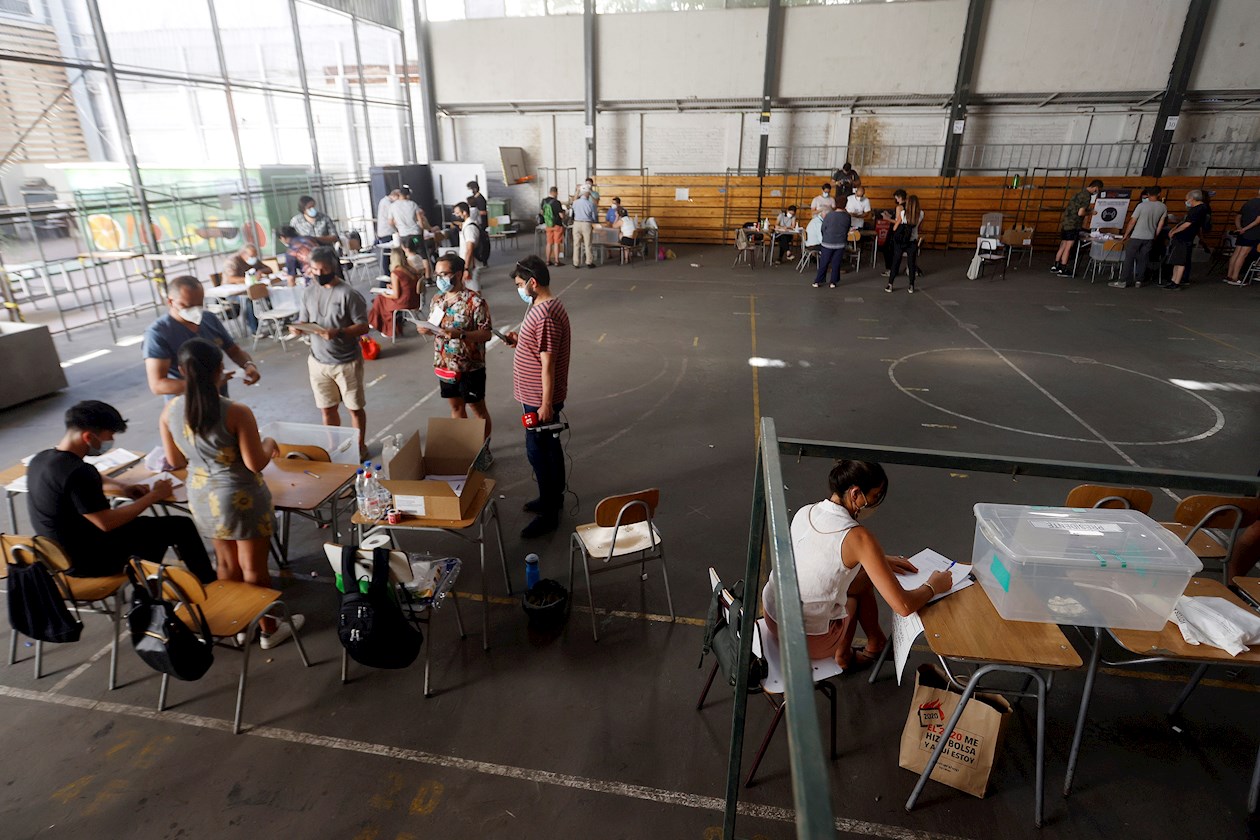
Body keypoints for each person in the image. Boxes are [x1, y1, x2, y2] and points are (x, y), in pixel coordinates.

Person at [158, 339, 302, 647]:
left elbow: (174, 461)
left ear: (182, 371)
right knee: (254, 568)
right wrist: (269, 442)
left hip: (201, 496)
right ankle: (269, 630)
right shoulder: (235, 411)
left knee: (225, 566)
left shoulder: (170, 410)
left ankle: (239, 626)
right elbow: (254, 464)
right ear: (220, 371)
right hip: (240, 498)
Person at [761, 461, 952, 670]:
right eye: (875, 496)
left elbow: (823, 555)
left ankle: (875, 641)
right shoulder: (859, 537)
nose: (875, 502)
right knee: (852, 596)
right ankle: (842, 656)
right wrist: (934, 585)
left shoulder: (806, 512)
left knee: (860, 576)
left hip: (773, 618)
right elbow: (903, 606)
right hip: (808, 640)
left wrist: (881, 560)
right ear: (855, 494)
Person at [26, 400, 215, 582]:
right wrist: (153, 496)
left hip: (56, 557)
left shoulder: (42, 459)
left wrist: (122, 486)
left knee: (157, 529)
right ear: (88, 437)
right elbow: (107, 523)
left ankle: (150, 583)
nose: (111, 441)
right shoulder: (80, 473)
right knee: (179, 527)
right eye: (110, 436)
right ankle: (198, 583)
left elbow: (87, 479)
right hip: (89, 560)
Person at [505, 256, 571, 538]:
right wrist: (520, 341)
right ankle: (551, 499)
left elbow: (548, 364)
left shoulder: (545, 315)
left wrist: (546, 403)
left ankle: (549, 514)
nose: (518, 289)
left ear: (533, 283)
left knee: (539, 452)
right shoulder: (540, 305)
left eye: (520, 284)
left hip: (538, 398)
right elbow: (540, 346)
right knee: (548, 449)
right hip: (532, 394)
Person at [291, 246, 371, 460]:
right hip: (317, 361)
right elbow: (304, 320)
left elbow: (364, 326)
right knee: (327, 408)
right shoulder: (308, 292)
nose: (318, 274)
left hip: (346, 362)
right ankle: (332, 446)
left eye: (323, 269)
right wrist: (298, 327)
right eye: (314, 269)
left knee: (354, 408)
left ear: (333, 267)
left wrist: (340, 332)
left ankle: (359, 446)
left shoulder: (348, 294)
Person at [417, 253, 495, 464]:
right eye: (437, 274)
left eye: (445, 274)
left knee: (477, 409)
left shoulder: (475, 301)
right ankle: (465, 449)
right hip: (445, 365)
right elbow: (435, 327)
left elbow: (486, 333)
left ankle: (483, 450)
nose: (440, 278)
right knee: (455, 408)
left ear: (458, 274)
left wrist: (461, 335)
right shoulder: (437, 300)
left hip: (470, 366)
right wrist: (426, 330)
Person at [144, 275, 260, 398]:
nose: (195, 310)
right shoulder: (158, 334)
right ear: (170, 302)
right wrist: (204, 385)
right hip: (187, 404)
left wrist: (248, 365)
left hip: (219, 398)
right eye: (188, 306)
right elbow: (158, 385)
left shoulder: (209, 319)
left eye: (199, 305)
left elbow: (234, 351)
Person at [1108, 186, 1167, 289]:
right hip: (1149, 237)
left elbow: (1132, 221)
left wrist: (1126, 235)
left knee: (1129, 259)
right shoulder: (1163, 207)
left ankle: (1123, 280)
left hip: (1136, 236)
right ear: (1159, 194)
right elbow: (1160, 224)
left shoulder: (1141, 206)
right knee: (1143, 259)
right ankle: (1139, 280)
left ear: (1148, 194)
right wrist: (1155, 235)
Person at [368, 246, 422, 338]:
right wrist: (393, 287)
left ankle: (383, 327)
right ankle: (376, 323)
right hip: (415, 300)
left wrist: (385, 294)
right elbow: (407, 285)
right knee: (381, 300)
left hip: (405, 302)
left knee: (380, 299)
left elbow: (396, 295)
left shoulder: (396, 273)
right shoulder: (411, 269)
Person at [1053, 179, 1103, 276]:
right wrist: (1090, 212)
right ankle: (1063, 268)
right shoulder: (1086, 196)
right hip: (1073, 224)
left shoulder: (1079, 193)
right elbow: (1080, 213)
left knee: (1063, 244)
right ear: (1096, 188)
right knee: (1068, 247)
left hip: (1066, 222)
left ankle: (1056, 265)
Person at [225, 245, 277, 333]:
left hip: (251, 289)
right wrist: (249, 279)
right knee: (249, 299)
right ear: (243, 254)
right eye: (252, 256)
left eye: (255, 256)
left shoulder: (254, 261)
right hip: (234, 293)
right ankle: (255, 330)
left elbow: (269, 269)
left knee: (269, 292)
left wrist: (261, 271)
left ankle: (276, 319)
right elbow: (230, 279)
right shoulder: (232, 261)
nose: (254, 258)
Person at [1165, 189, 1208, 291]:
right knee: (1177, 260)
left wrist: (1174, 231)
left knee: (1180, 261)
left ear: (1192, 199)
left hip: (1184, 238)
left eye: (1187, 199)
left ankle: (1176, 282)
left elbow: (1187, 223)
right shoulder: (1202, 209)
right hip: (1185, 237)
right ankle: (1173, 280)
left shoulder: (1197, 210)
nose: (1187, 201)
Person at [886, 194, 924, 294]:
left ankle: (890, 284)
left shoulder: (903, 213)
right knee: (911, 263)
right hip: (912, 241)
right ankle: (911, 285)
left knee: (896, 262)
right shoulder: (921, 214)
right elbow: (920, 228)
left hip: (901, 241)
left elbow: (895, 228)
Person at [1225, 187, 1260, 286]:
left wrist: (1240, 228)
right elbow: (1258, 221)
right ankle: (1235, 278)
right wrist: (1246, 229)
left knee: (1236, 253)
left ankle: (1229, 275)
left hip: (1242, 233)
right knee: (1243, 255)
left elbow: (1238, 216)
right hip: (1252, 233)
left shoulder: (1248, 203)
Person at [813, 200, 851, 289]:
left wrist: (826, 237)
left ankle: (818, 281)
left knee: (824, 262)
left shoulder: (829, 215)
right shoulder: (847, 217)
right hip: (840, 243)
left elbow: (823, 228)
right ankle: (833, 282)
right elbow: (847, 229)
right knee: (836, 263)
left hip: (827, 242)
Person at [454, 201, 484, 291]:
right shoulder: (467, 225)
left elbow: (469, 249)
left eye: (457, 213)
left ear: (464, 212)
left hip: (471, 266)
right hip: (469, 264)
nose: (456, 215)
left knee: (474, 291)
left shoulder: (470, 228)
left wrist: (466, 269)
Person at [881, 190, 907, 277]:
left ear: (899, 197)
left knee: (888, 249)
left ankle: (890, 269)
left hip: (896, 230)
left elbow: (898, 221)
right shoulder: (908, 206)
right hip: (903, 231)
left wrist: (887, 218)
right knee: (895, 251)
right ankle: (893, 269)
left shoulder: (899, 207)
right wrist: (890, 216)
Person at [571, 185, 598, 269]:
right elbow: (594, 216)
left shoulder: (575, 202)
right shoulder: (590, 204)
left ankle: (576, 262)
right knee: (587, 243)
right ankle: (589, 262)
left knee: (576, 244)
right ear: (587, 193)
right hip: (586, 223)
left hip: (576, 223)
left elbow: (572, 211)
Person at [375, 189, 401, 274]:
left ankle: (390, 272)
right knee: (387, 254)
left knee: (391, 253)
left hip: (389, 231)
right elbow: (393, 218)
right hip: (386, 232)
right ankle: (387, 273)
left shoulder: (386, 202)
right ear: (395, 195)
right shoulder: (387, 203)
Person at [541, 186, 567, 267]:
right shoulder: (557, 202)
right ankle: (556, 261)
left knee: (549, 243)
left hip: (548, 225)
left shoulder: (544, 201)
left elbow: (542, 212)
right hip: (557, 225)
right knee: (556, 243)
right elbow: (561, 216)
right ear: (555, 192)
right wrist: (564, 213)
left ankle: (548, 261)